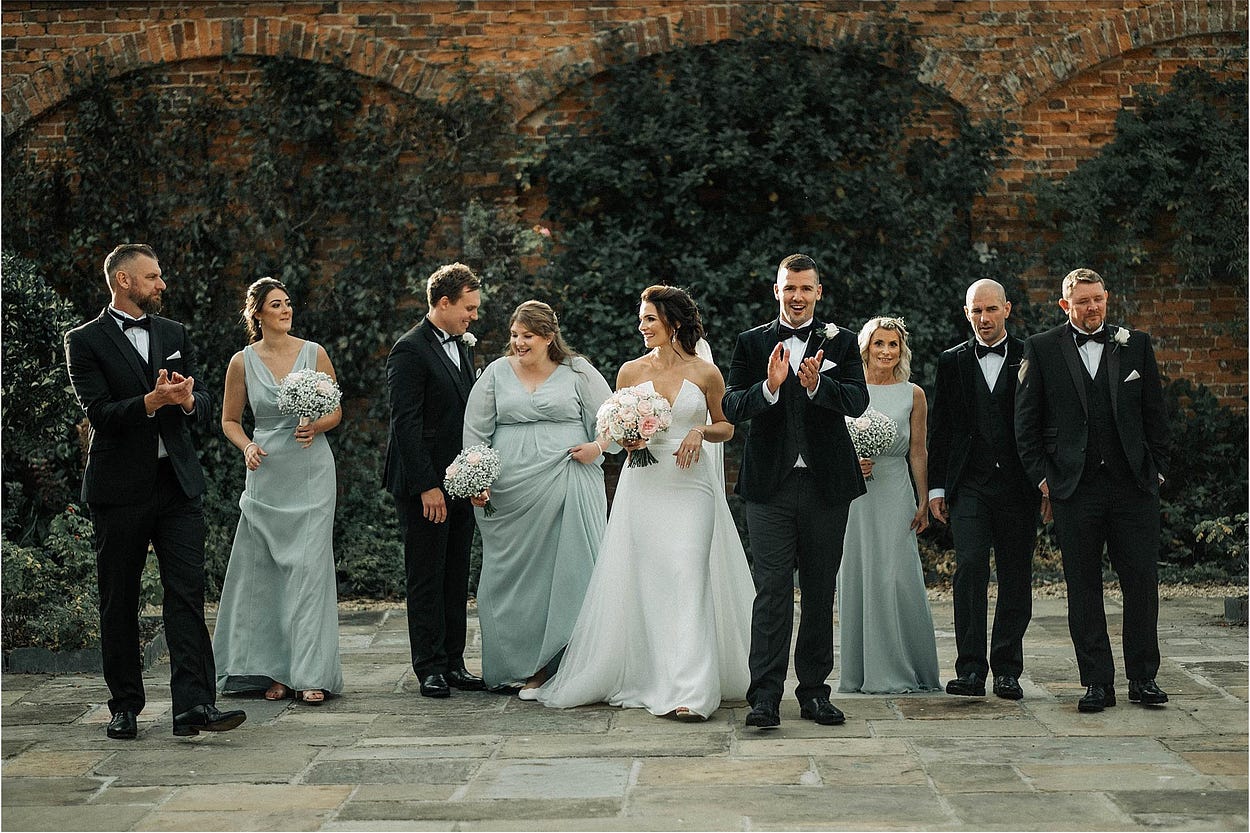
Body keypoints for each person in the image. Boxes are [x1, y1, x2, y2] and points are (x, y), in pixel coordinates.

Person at [537, 285, 755, 720]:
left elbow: (727, 427)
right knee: (650, 583)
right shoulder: (630, 372)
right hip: (645, 486)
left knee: (689, 576)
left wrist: (699, 431)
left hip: (691, 487)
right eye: (641, 319)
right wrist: (627, 439)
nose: (642, 326)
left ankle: (691, 691)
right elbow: (614, 432)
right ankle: (655, 677)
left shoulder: (706, 373)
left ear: (673, 323)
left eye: (650, 319)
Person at [64, 243, 246, 739]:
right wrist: (150, 401)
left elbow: (203, 401)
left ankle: (194, 706)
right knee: (118, 599)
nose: (161, 284)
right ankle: (125, 706)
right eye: (152, 276)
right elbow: (100, 414)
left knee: (187, 594)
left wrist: (185, 401)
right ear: (123, 281)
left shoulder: (173, 333)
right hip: (119, 489)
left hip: (177, 486)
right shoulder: (84, 341)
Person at [722, 253, 869, 729]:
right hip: (770, 488)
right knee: (771, 591)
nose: (798, 296)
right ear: (776, 290)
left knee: (820, 590)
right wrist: (769, 387)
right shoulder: (751, 342)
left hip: (827, 487)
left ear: (818, 292)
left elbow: (857, 399)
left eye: (806, 288)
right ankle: (765, 697)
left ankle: (814, 693)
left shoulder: (841, 341)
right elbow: (730, 404)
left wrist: (816, 387)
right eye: (790, 288)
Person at [1015, 268, 1170, 713]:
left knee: (1142, 583)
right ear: (1065, 305)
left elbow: (1156, 413)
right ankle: (1097, 682)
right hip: (1074, 488)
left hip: (1133, 487)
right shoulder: (1042, 348)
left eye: (1097, 299)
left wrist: (1157, 471)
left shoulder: (1135, 344)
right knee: (1083, 587)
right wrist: (1043, 478)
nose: (1092, 307)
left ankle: (1143, 678)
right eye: (1082, 301)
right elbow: (1025, 421)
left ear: (1107, 297)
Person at [462, 300, 613, 695]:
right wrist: (477, 478)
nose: (519, 342)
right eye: (515, 335)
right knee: (506, 579)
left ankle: (557, 665)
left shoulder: (578, 371)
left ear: (548, 337)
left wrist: (597, 447)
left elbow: (611, 420)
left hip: (567, 483)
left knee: (568, 574)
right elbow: (475, 432)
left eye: (527, 335)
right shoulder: (496, 373)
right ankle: (515, 663)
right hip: (510, 493)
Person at [213, 277, 344, 705]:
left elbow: (336, 411)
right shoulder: (242, 362)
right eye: (276, 304)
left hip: (311, 471)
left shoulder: (314, 353)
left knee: (308, 571)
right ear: (257, 314)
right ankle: (276, 671)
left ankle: (309, 672)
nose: (286, 310)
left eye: (288, 303)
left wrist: (315, 425)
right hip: (267, 471)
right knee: (268, 574)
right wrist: (247, 446)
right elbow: (230, 420)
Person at [928, 279, 1039, 701]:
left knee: (1015, 574)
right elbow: (941, 429)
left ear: (1007, 309)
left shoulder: (1032, 355)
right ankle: (971, 669)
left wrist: (1046, 482)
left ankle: (1007, 669)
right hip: (970, 485)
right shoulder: (952, 361)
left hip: (1019, 485)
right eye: (976, 310)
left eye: (991, 309)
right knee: (970, 568)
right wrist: (937, 488)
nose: (984, 317)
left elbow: (1045, 422)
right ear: (966, 313)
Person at [383, 262, 487, 698]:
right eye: (469, 308)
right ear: (444, 303)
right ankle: (428, 666)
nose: (474, 316)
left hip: (459, 478)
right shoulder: (409, 350)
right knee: (426, 573)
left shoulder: (462, 346)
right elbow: (405, 425)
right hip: (423, 483)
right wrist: (428, 486)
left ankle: (454, 662)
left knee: (455, 571)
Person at [837, 317, 941, 694]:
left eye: (893, 344)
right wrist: (849, 462)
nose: (885, 351)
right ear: (866, 349)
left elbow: (918, 451)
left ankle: (906, 667)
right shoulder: (846, 390)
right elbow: (827, 443)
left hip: (896, 491)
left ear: (902, 350)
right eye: (878, 343)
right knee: (859, 573)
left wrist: (923, 499)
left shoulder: (913, 394)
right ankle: (861, 672)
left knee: (897, 577)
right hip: (854, 497)